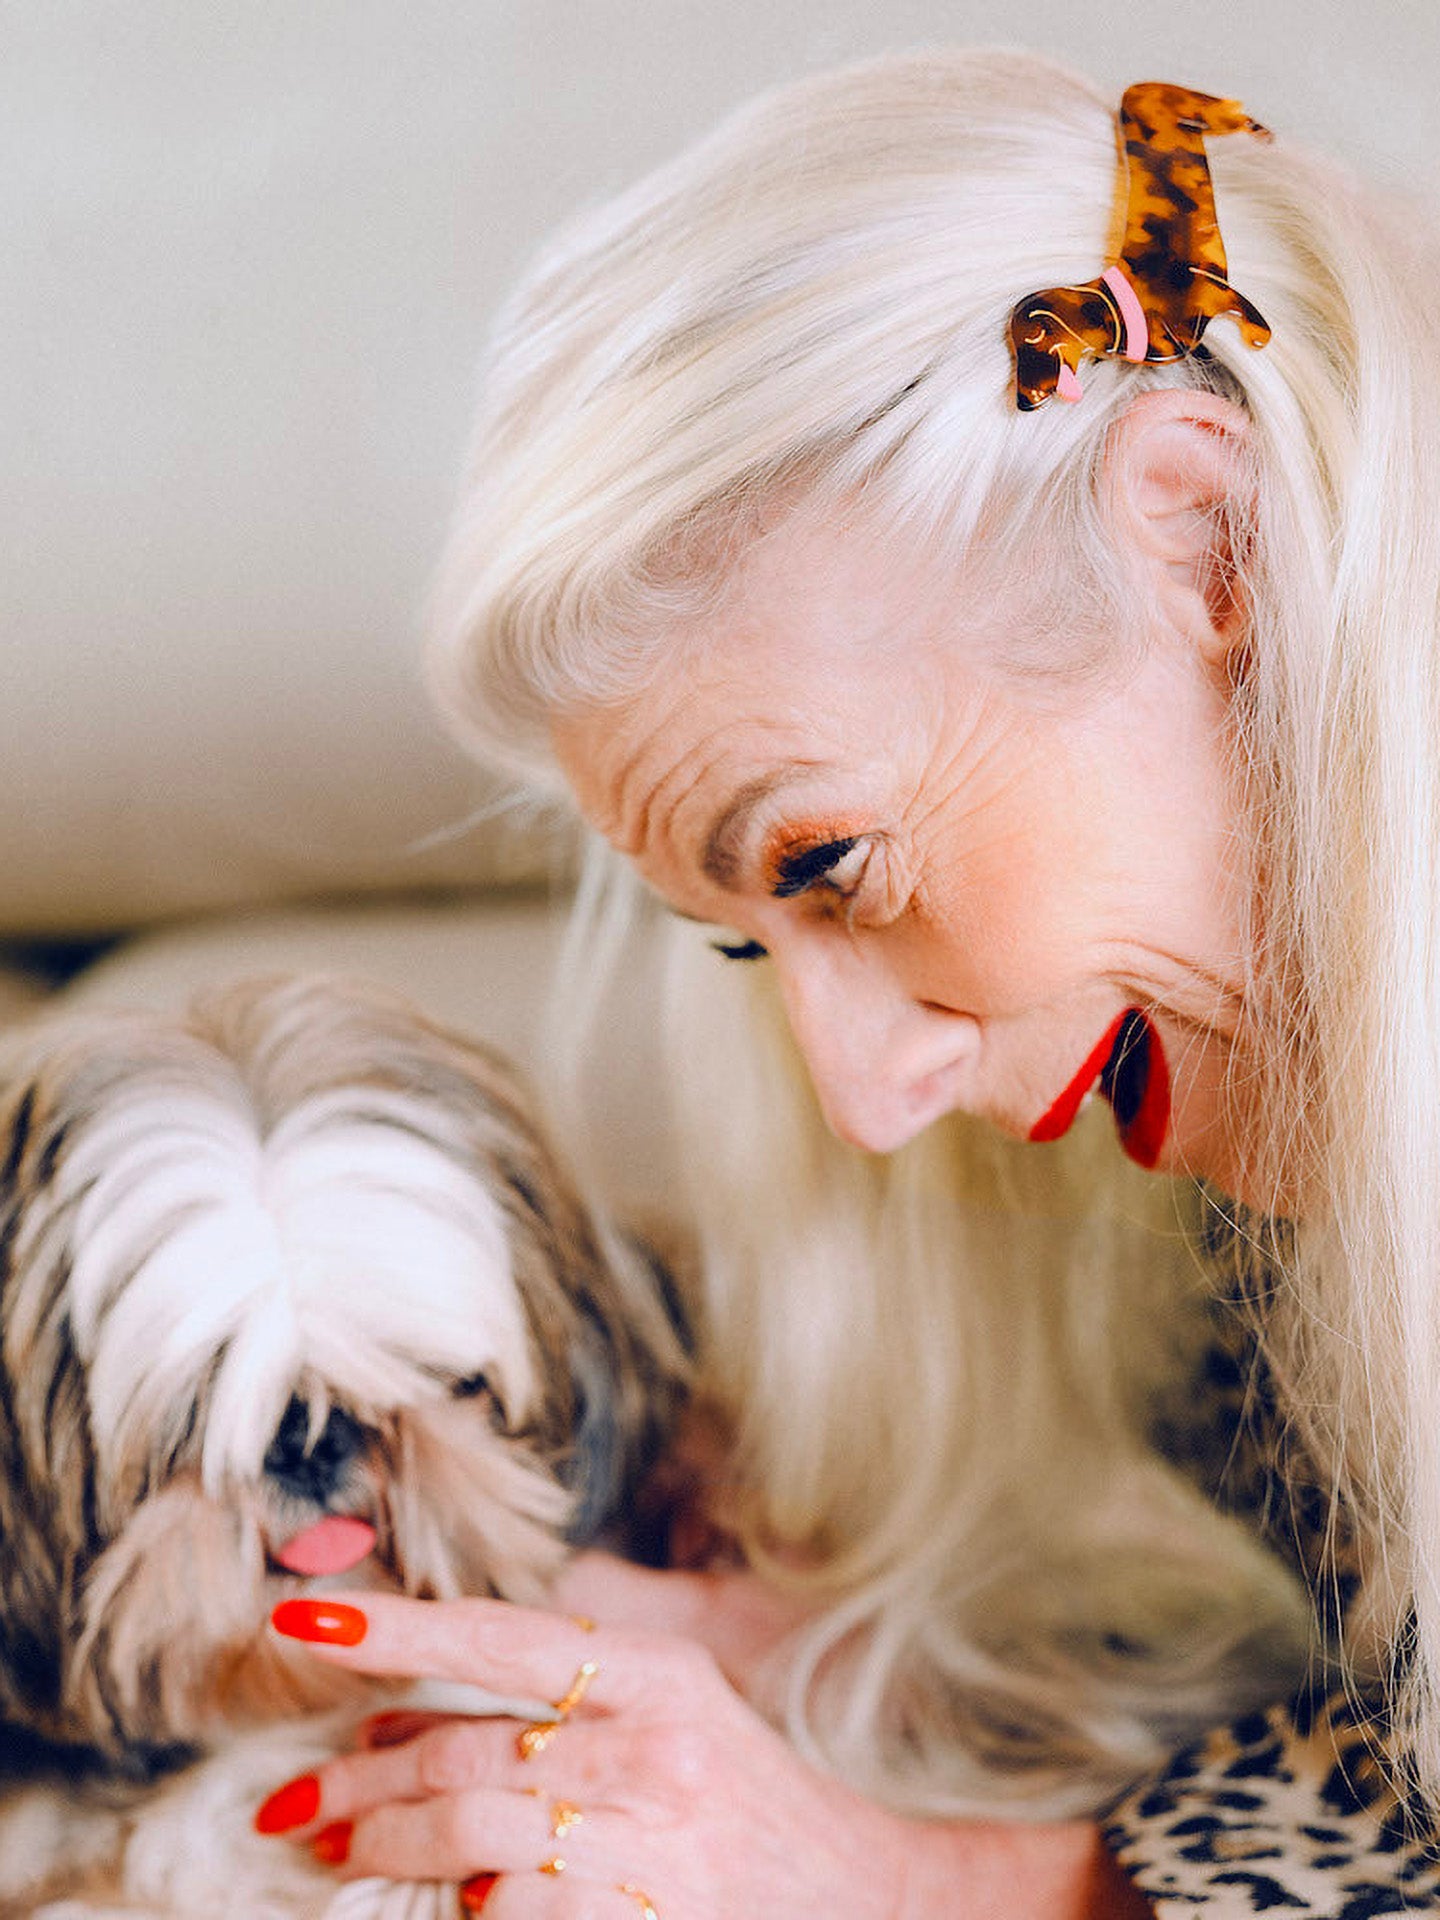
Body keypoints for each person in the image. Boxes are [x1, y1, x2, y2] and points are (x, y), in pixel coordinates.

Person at [254, 47, 1440, 1916]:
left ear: (1211, 548)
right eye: (757, 941)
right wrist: (831, 1660)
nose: (866, 1096)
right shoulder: (1261, 1172)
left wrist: (946, 1886)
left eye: (837, 867)